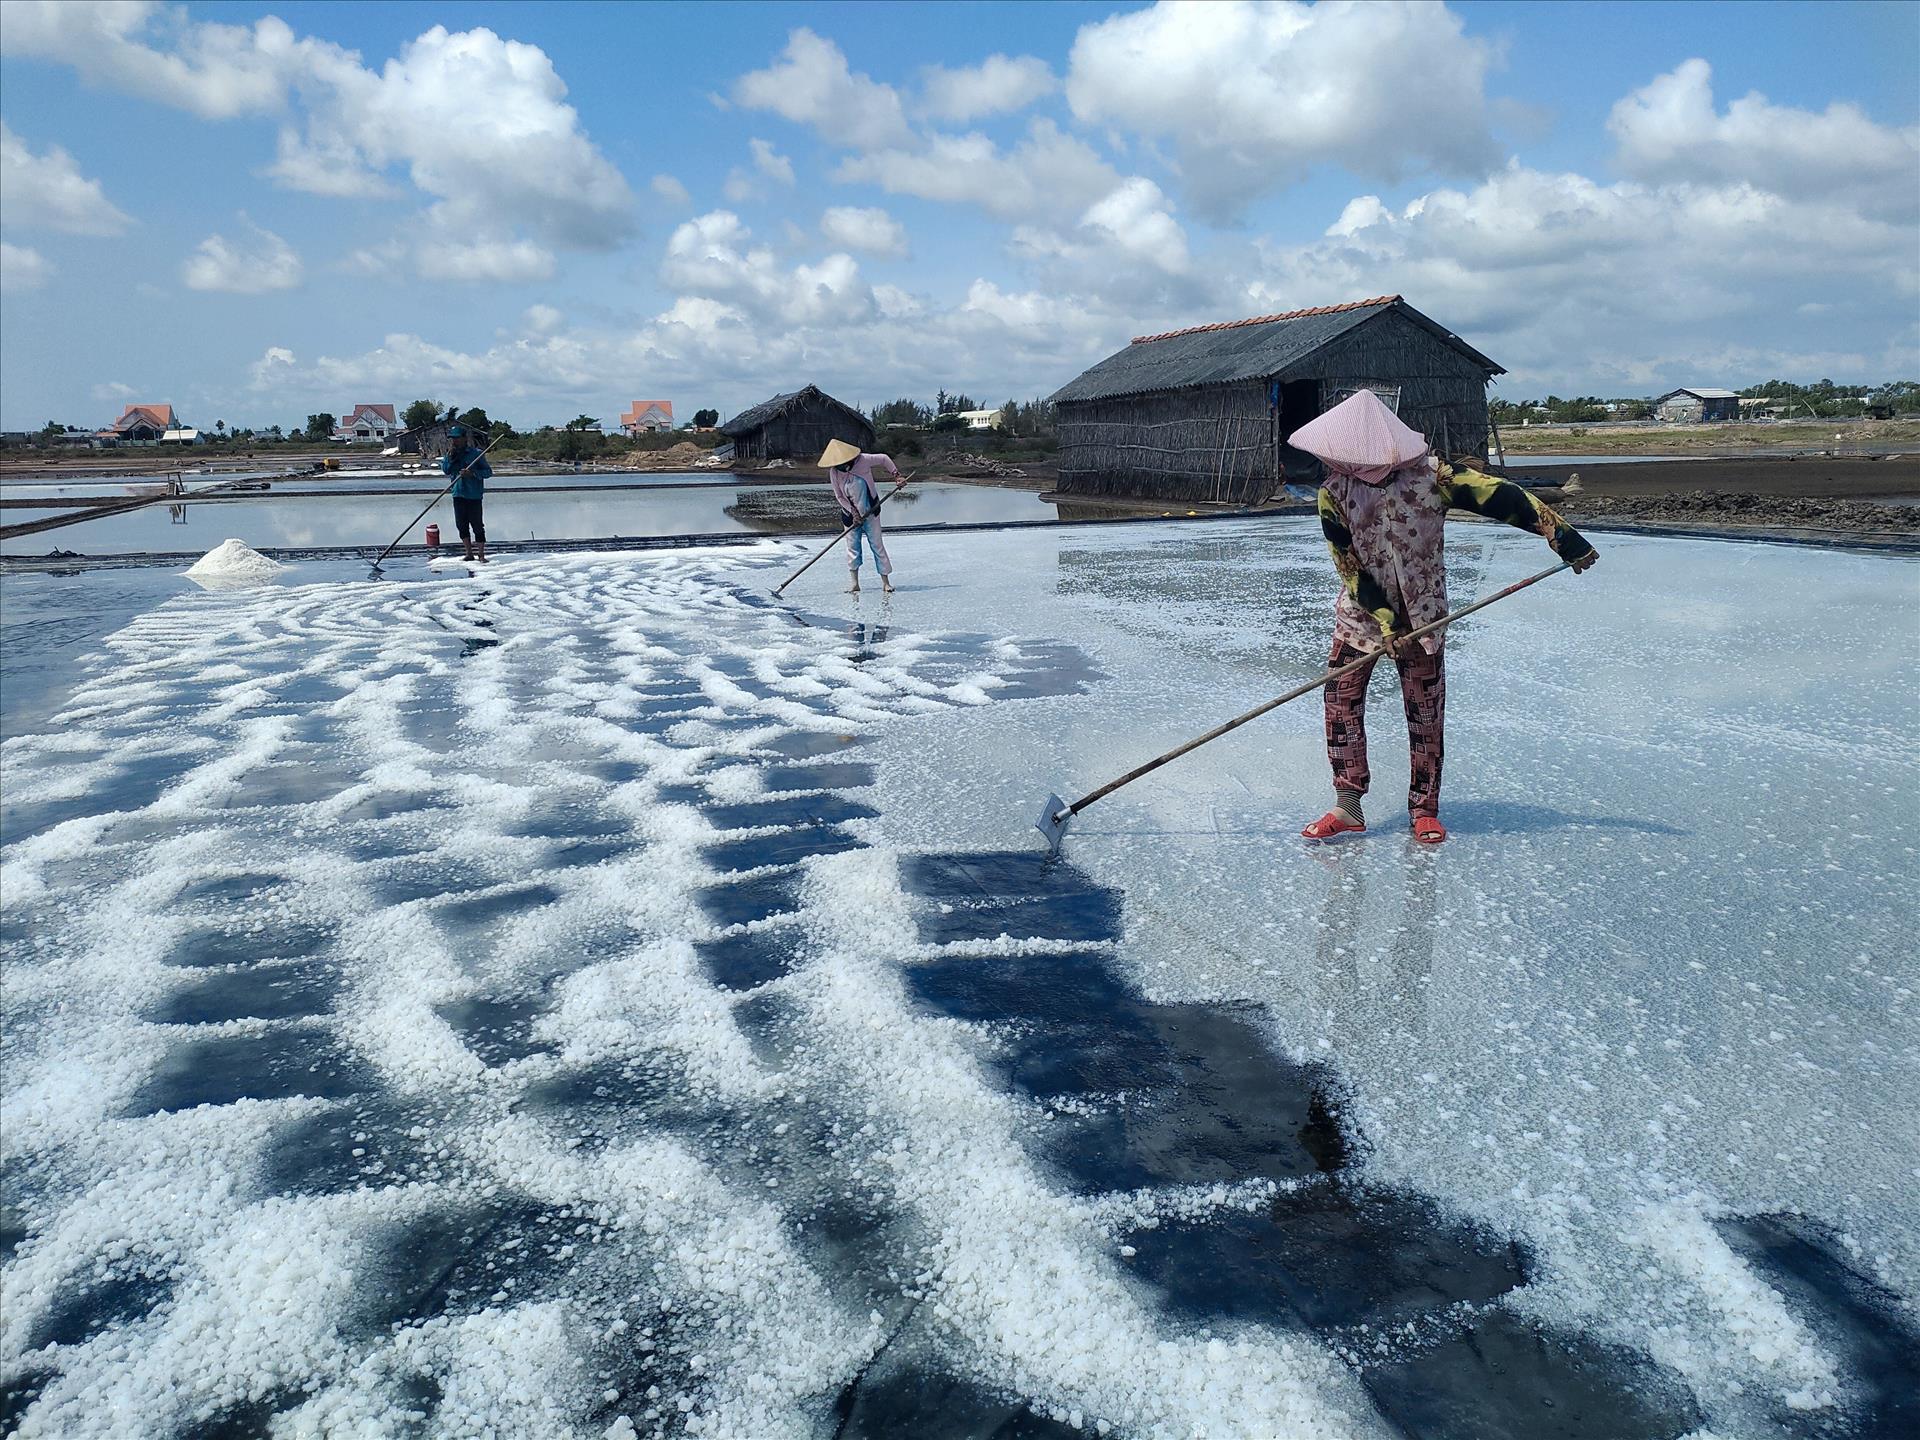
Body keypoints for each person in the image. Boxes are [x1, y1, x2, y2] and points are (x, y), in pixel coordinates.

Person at [1295, 390, 1597, 846]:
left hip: (1424, 619)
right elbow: (1349, 566)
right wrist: (1385, 623)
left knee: (1424, 712)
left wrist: (1565, 539)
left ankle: (1424, 809)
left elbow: (1507, 499)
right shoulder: (1333, 493)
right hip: (1359, 618)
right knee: (1340, 705)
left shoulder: (1434, 478)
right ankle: (1349, 805)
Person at [818, 439, 902, 593]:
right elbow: (839, 496)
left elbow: (884, 458)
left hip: (871, 511)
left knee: (877, 545)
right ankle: (855, 584)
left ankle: (886, 583)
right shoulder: (834, 472)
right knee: (852, 548)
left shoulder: (863, 460)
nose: (843, 466)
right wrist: (853, 512)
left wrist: (897, 476)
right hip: (850, 517)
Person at [441, 423, 493, 563]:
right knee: (461, 525)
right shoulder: (450, 454)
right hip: (458, 493)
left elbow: (488, 472)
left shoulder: (476, 454)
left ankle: (481, 555)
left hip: (474, 495)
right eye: (452, 439)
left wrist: (473, 474)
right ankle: (469, 553)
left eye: (457, 438)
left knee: (477, 525)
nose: (455, 441)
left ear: (464, 438)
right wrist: (451, 459)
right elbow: (446, 470)